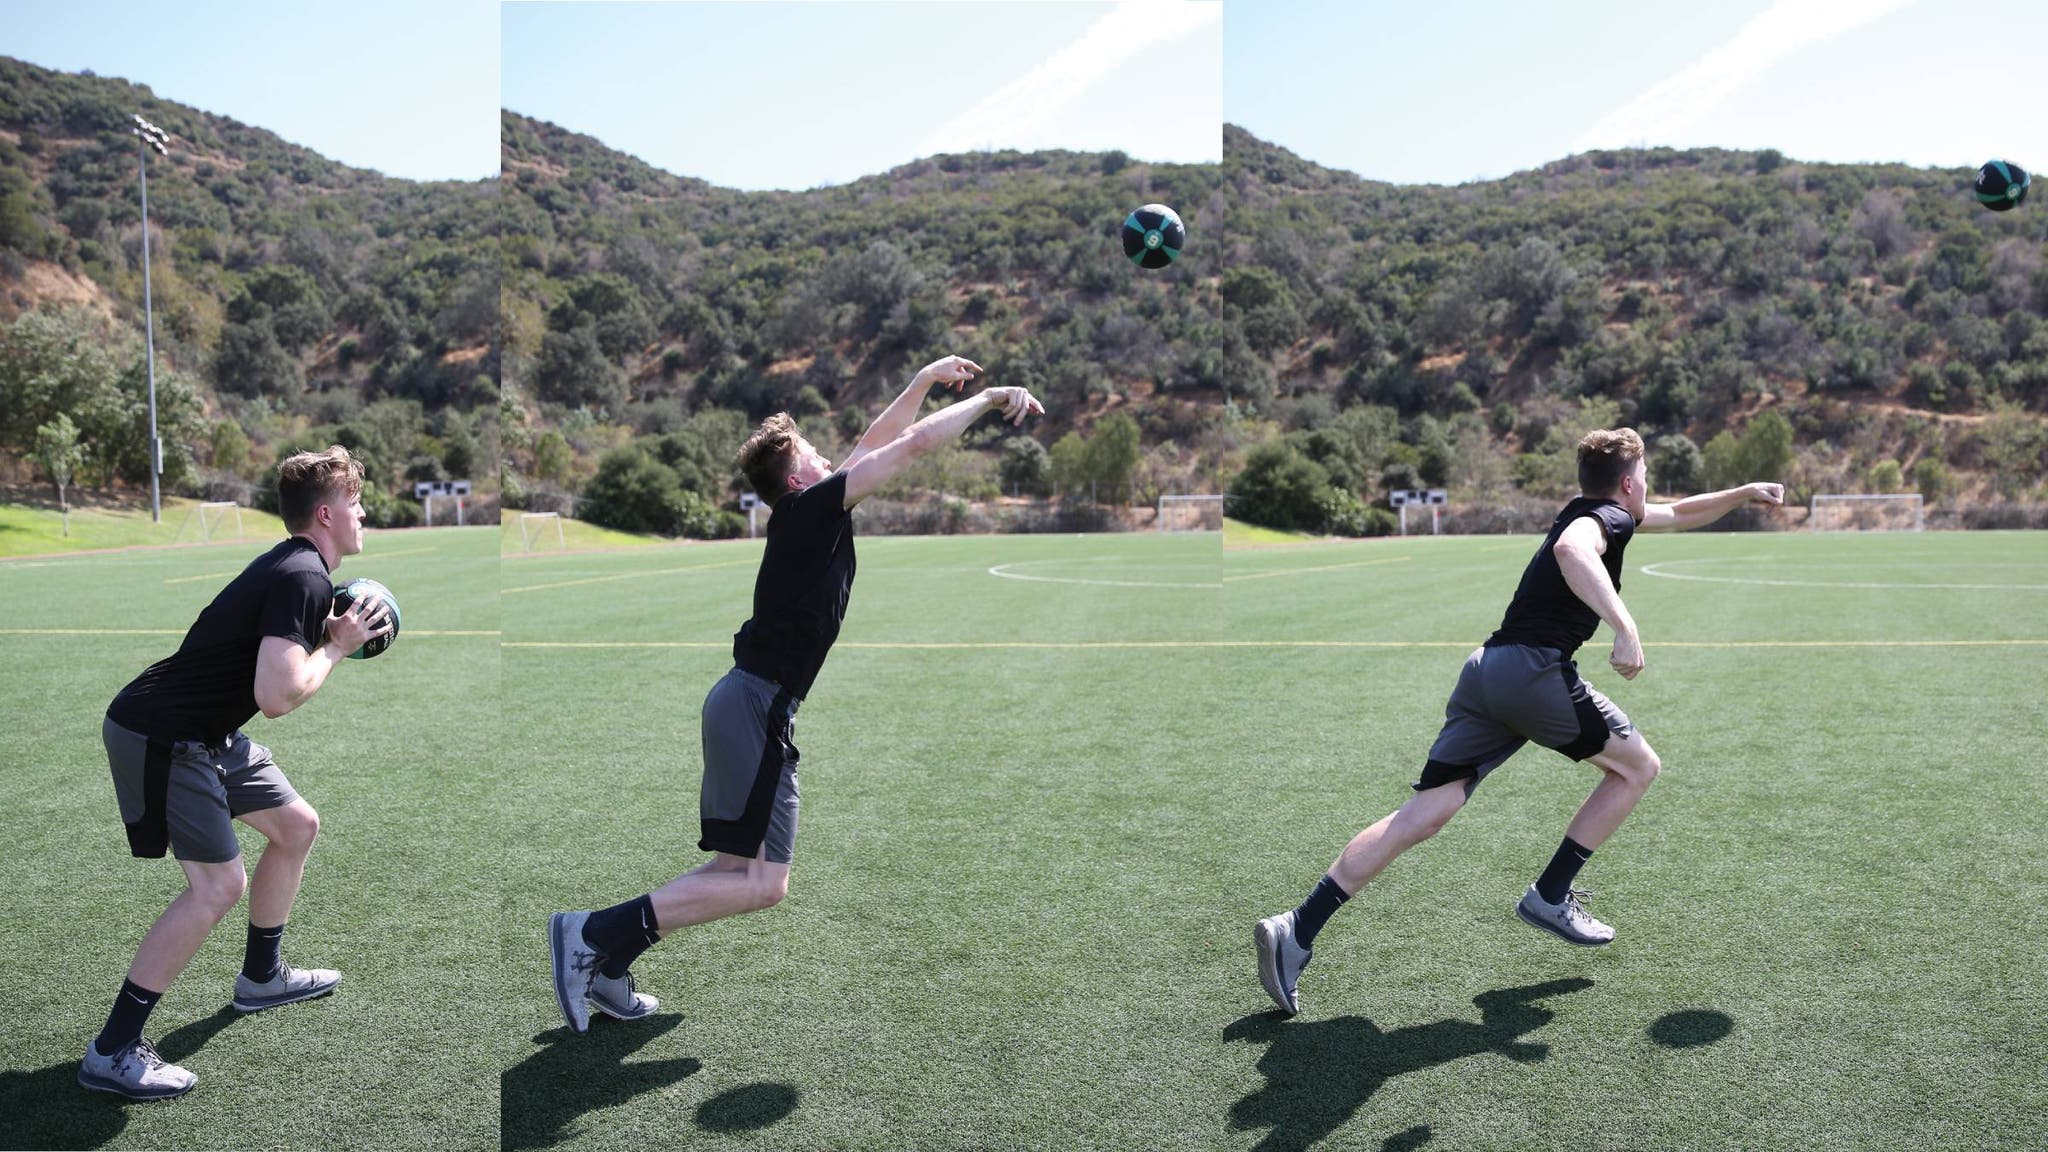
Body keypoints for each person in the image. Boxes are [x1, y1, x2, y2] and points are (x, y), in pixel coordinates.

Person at [548, 356, 1044, 1033]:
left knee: (734, 867)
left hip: (745, 701)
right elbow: (911, 446)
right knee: (763, 882)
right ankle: (592, 934)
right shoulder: (810, 510)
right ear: (796, 478)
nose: (830, 459)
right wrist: (988, 399)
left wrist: (922, 382)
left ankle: (607, 965)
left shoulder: (813, 511)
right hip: (756, 706)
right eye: (814, 453)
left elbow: (877, 440)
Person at [1254, 428, 1784, 1016]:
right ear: (1628, 484)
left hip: (1486, 669)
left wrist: (1743, 492)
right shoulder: (1608, 519)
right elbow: (1572, 552)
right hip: (1533, 672)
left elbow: (1680, 513)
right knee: (1638, 768)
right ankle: (1551, 894)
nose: (1648, 490)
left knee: (1426, 811)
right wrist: (1625, 626)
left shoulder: (1593, 508)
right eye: (1645, 478)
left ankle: (1296, 928)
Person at [82, 446, 394, 1099]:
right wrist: (337, 647)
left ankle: (262, 978)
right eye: (356, 503)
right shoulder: (303, 576)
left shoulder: (297, 568)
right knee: (218, 886)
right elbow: (277, 696)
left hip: (208, 732)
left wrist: (327, 637)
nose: (363, 513)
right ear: (325, 514)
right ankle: (112, 1050)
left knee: (296, 826)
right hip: (164, 732)